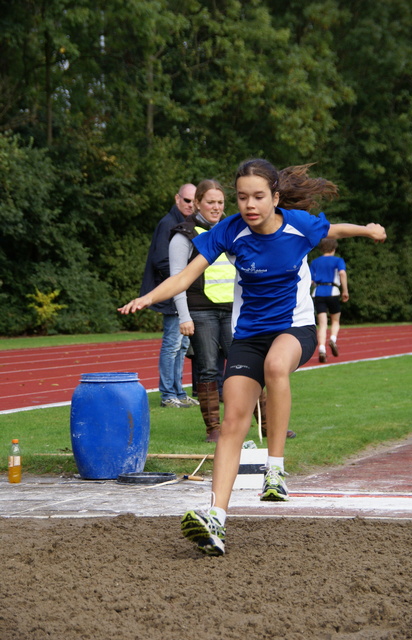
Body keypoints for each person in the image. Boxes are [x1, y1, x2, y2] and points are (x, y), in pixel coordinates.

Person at [118, 159, 386, 556]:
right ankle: (216, 519)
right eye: (242, 197)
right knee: (231, 424)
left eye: (258, 196)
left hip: (293, 330)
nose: (249, 204)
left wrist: (368, 230)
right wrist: (148, 297)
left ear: (275, 198)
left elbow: (333, 230)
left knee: (278, 367)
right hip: (249, 336)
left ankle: (275, 469)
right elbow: (185, 277)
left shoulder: (298, 225)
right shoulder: (229, 231)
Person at [169, 179, 234, 441]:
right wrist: (184, 316)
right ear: (197, 203)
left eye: (220, 202)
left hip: (232, 310)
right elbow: (176, 278)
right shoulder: (183, 234)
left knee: (245, 366)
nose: (216, 207)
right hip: (201, 311)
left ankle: (266, 423)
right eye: (210, 202)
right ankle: (213, 429)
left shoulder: (231, 230)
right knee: (208, 369)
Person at [139, 183, 199, 408]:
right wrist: (183, 278)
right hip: (171, 293)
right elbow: (161, 260)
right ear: (177, 199)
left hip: (180, 291)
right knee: (173, 343)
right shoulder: (168, 224)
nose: (190, 205)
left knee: (182, 345)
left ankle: (179, 392)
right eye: (187, 200)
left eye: (194, 201)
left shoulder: (185, 223)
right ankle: (167, 394)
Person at [310, 238, 349, 363]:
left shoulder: (315, 262)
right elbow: (342, 273)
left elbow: (310, 280)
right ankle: (333, 339)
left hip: (318, 292)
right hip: (332, 291)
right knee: (335, 320)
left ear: (321, 248)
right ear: (334, 249)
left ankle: (321, 349)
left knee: (322, 324)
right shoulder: (338, 260)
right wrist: (345, 290)